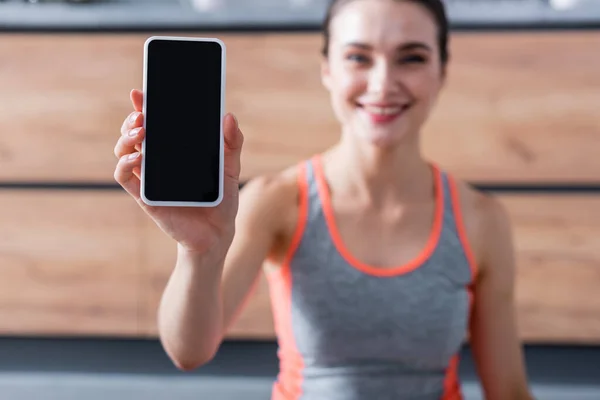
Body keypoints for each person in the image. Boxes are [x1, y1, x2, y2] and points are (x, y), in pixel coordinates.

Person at [113, 0, 536, 398]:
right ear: (327, 70)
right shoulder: (277, 201)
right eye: (358, 57)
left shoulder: (483, 220)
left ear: (442, 70)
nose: (382, 83)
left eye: (412, 57)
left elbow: (509, 391)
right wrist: (199, 252)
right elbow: (189, 351)